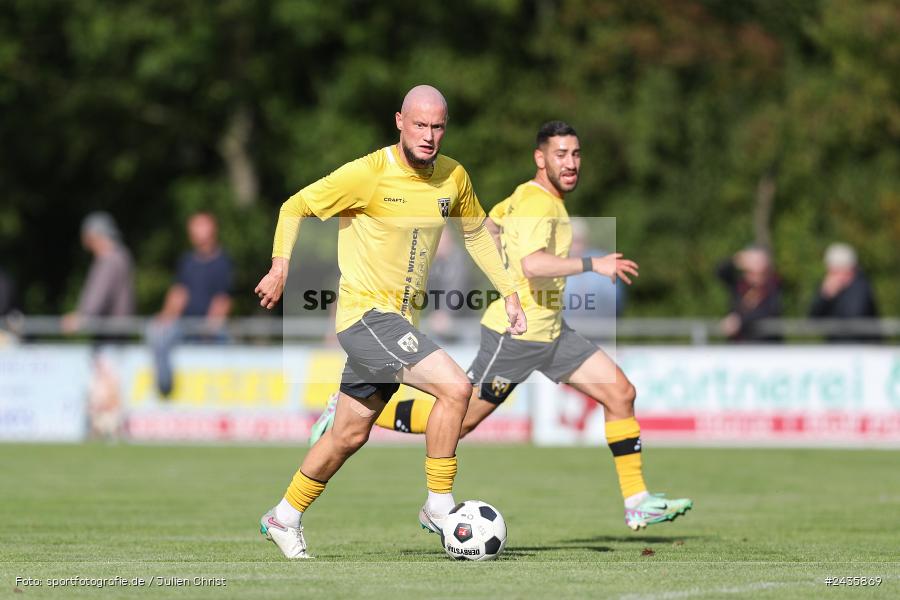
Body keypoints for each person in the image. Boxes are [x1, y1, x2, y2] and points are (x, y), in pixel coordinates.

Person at [310, 120, 693, 532]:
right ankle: (348, 413)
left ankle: (637, 502)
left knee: (620, 392)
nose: (570, 163)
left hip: (552, 332)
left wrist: (502, 259)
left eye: (576, 154)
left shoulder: (527, 197)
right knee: (462, 420)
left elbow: (489, 226)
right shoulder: (537, 203)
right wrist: (591, 264)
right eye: (560, 154)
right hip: (515, 337)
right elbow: (533, 264)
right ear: (540, 158)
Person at [253, 85, 526, 559]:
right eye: (419, 125)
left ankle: (284, 515)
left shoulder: (453, 176)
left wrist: (511, 292)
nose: (429, 136)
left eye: (437, 127)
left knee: (349, 435)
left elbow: (477, 234)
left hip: (396, 323)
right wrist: (280, 267)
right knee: (456, 388)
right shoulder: (368, 174)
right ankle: (438, 506)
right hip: (365, 317)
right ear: (400, 121)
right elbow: (294, 206)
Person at [146, 212, 233, 396]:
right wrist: (165, 317)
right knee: (157, 333)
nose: (194, 231)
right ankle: (164, 385)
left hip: (211, 328)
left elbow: (222, 300)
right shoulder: (187, 262)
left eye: (200, 226)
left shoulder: (223, 262)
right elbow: (179, 293)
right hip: (185, 325)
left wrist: (210, 328)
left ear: (212, 229)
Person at [61, 212, 135, 335]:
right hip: (118, 331)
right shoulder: (122, 255)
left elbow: (99, 295)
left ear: (94, 236)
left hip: (109, 332)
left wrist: (80, 318)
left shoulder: (109, 259)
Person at [809, 242, 880, 342]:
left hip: (861, 347)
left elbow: (854, 320)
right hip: (837, 347)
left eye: (834, 270)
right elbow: (813, 319)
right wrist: (825, 297)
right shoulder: (827, 287)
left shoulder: (861, 286)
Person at [716, 246, 783, 342]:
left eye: (760, 260)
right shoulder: (739, 285)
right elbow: (720, 271)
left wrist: (739, 321)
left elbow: (770, 313)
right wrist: (736, 259)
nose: (757, 264)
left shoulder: (773, 285)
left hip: (766, 346)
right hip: (739, 345)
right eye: (754, 261)